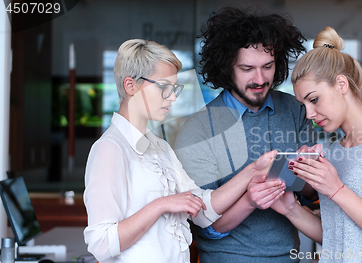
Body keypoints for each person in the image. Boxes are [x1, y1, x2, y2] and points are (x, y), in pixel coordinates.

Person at [83, 39, 285, 263]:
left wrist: (252, 171)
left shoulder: (160, 148)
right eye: (163, 87)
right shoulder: (110, 149)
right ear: (131, 86)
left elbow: (200, 210)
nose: (172, 97)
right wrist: (162, 204)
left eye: (174, 88)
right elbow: (100, 244)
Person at [174, 7, 316, 263]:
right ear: (227, 67)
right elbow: (205, 227)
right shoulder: (199, 130)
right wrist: (250, 200)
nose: (260, 79)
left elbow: (309, 196)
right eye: (247, 68)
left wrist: (307, 171)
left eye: (268, 66)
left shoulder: (297, 110)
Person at [271, 26, 362, 262]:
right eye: (304, 105)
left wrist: (336, 189)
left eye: (314, 99)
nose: (309, 114)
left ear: (341, 84)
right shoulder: (335, 152)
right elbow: (337, 237)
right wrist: (290, 208)